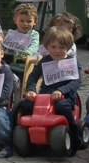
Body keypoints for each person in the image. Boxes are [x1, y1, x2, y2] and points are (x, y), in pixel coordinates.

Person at [19, 26, 82, 155]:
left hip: (65, 96)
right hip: (44, 97)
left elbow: (76, 82)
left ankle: (73, 134)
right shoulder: (44, 61)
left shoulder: (72, 62)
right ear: (47, 46)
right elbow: (32, 77)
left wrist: (61, 90)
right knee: (25, 105)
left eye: (62, 47)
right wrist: (31, 90)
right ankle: (24, 133)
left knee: (62, 107)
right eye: (53, 47)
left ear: (68, 47)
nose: (57, 51)